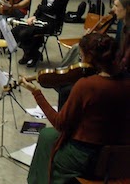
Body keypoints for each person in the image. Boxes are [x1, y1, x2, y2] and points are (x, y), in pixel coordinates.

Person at [21, 32, 130, 184]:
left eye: (81, 56)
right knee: (48, 135)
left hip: (89, 159)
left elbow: (60, 123)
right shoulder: (126, 80)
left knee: (47, 142)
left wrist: (37, 93)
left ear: (90, 58)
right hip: (122, 157)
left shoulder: (87, 86)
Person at [12, 0, 73, 67]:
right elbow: (43, 4)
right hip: (42, 17)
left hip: (53, 22)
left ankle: (31, 54)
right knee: (16, 30)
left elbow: (54, 9)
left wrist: (41, 8)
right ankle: (32, 53)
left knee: (25, 33)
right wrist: (34, 16)